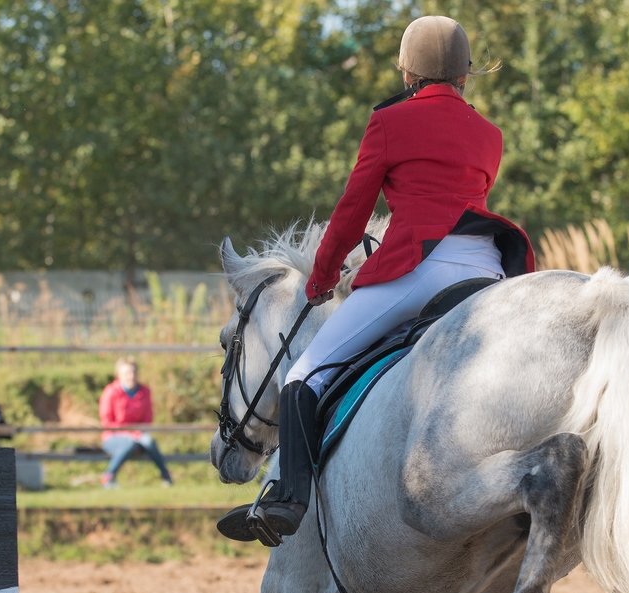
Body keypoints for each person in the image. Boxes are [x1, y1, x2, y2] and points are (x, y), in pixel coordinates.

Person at [221, 16, 535, 543]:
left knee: (304, 375)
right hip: (487, 266)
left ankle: (289, 500)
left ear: (408, 71)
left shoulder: (390, 122)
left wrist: (322, 279)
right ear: (465, 73)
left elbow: (351, 213)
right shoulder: (490, 134)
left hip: (419, 266)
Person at [97, 357, 173, 488]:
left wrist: (136, 433)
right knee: (129, 443)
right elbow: (107, 422)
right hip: (113, 437)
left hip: (138, 435)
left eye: (133, 373)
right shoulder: (111, 392)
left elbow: (147, 418)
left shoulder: (145, 391)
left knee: (149, 442)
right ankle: (109, 476)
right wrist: (129, 433)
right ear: (119, 375)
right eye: (127, 373)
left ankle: (166, 476)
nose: (131, 376)